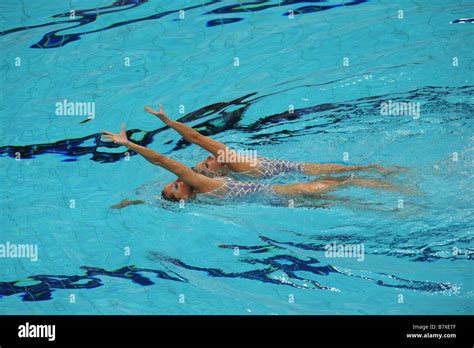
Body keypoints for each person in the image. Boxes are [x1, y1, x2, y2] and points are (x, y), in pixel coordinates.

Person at [102, 124, 400, 209]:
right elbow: (167, 162)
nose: (182, 179)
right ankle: (392, 193)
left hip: (280, 195)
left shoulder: (205, 190)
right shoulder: (204, 190)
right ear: (185, 197)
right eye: (178, 185)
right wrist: (129, 145)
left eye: (178, 180)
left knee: (343, 189)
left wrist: (135, 200)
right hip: (282, 194)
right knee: (344, 188)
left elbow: (174, 161)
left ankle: (391, 189)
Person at [144, 104, 397, 178]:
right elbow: (197, 137)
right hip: (299, 171)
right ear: (218, 171)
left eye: (205, 161)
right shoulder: (232, 161)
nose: (210, 158)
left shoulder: (233, 173)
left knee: (350, 179)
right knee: (357, 174)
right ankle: (384, 174)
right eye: (208, 165)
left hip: (291, 175)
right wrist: (167, 120)